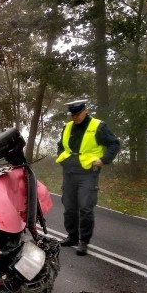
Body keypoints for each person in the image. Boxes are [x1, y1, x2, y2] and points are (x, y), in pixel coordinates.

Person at [56, 99, 120, 256]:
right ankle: (72, 236)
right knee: (69, 207)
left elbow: (114, 144)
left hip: (87, 173)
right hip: (69, 172)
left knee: (85, 207)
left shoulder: (98, 126)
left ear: (86, 110)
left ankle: (84, 241)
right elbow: (61, 145)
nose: (74, 117)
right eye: (72, 114)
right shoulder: (68, 126)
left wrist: (103, 160)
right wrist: (62, 158)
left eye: (77, 114)